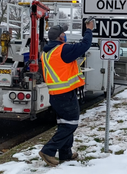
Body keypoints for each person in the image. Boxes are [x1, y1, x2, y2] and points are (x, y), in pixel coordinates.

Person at [39, 19, 94, 167]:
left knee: (65, 123)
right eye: (63, 33)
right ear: (60, 37)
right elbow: (84, 45)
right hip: (64, 95)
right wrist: (89, 29)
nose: (65, 35)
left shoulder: (47, 52)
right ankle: (48, 150)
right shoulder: (62, 50)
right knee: (71, 124)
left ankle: (66, 153)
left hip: (57, 94)